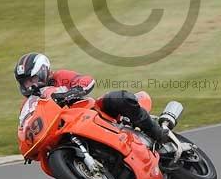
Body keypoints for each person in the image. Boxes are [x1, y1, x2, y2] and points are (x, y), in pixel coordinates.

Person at [14, 52, 170, 143]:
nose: (29, 86)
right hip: (64, 129)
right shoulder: (28, 104)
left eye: (32, 79)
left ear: (43, 71)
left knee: (118, 98)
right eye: (25, 82)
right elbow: (25, 124)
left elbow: (87, 81)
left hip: (91, 113)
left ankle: (157, 133)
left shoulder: (60, 77)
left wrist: (68, 94)